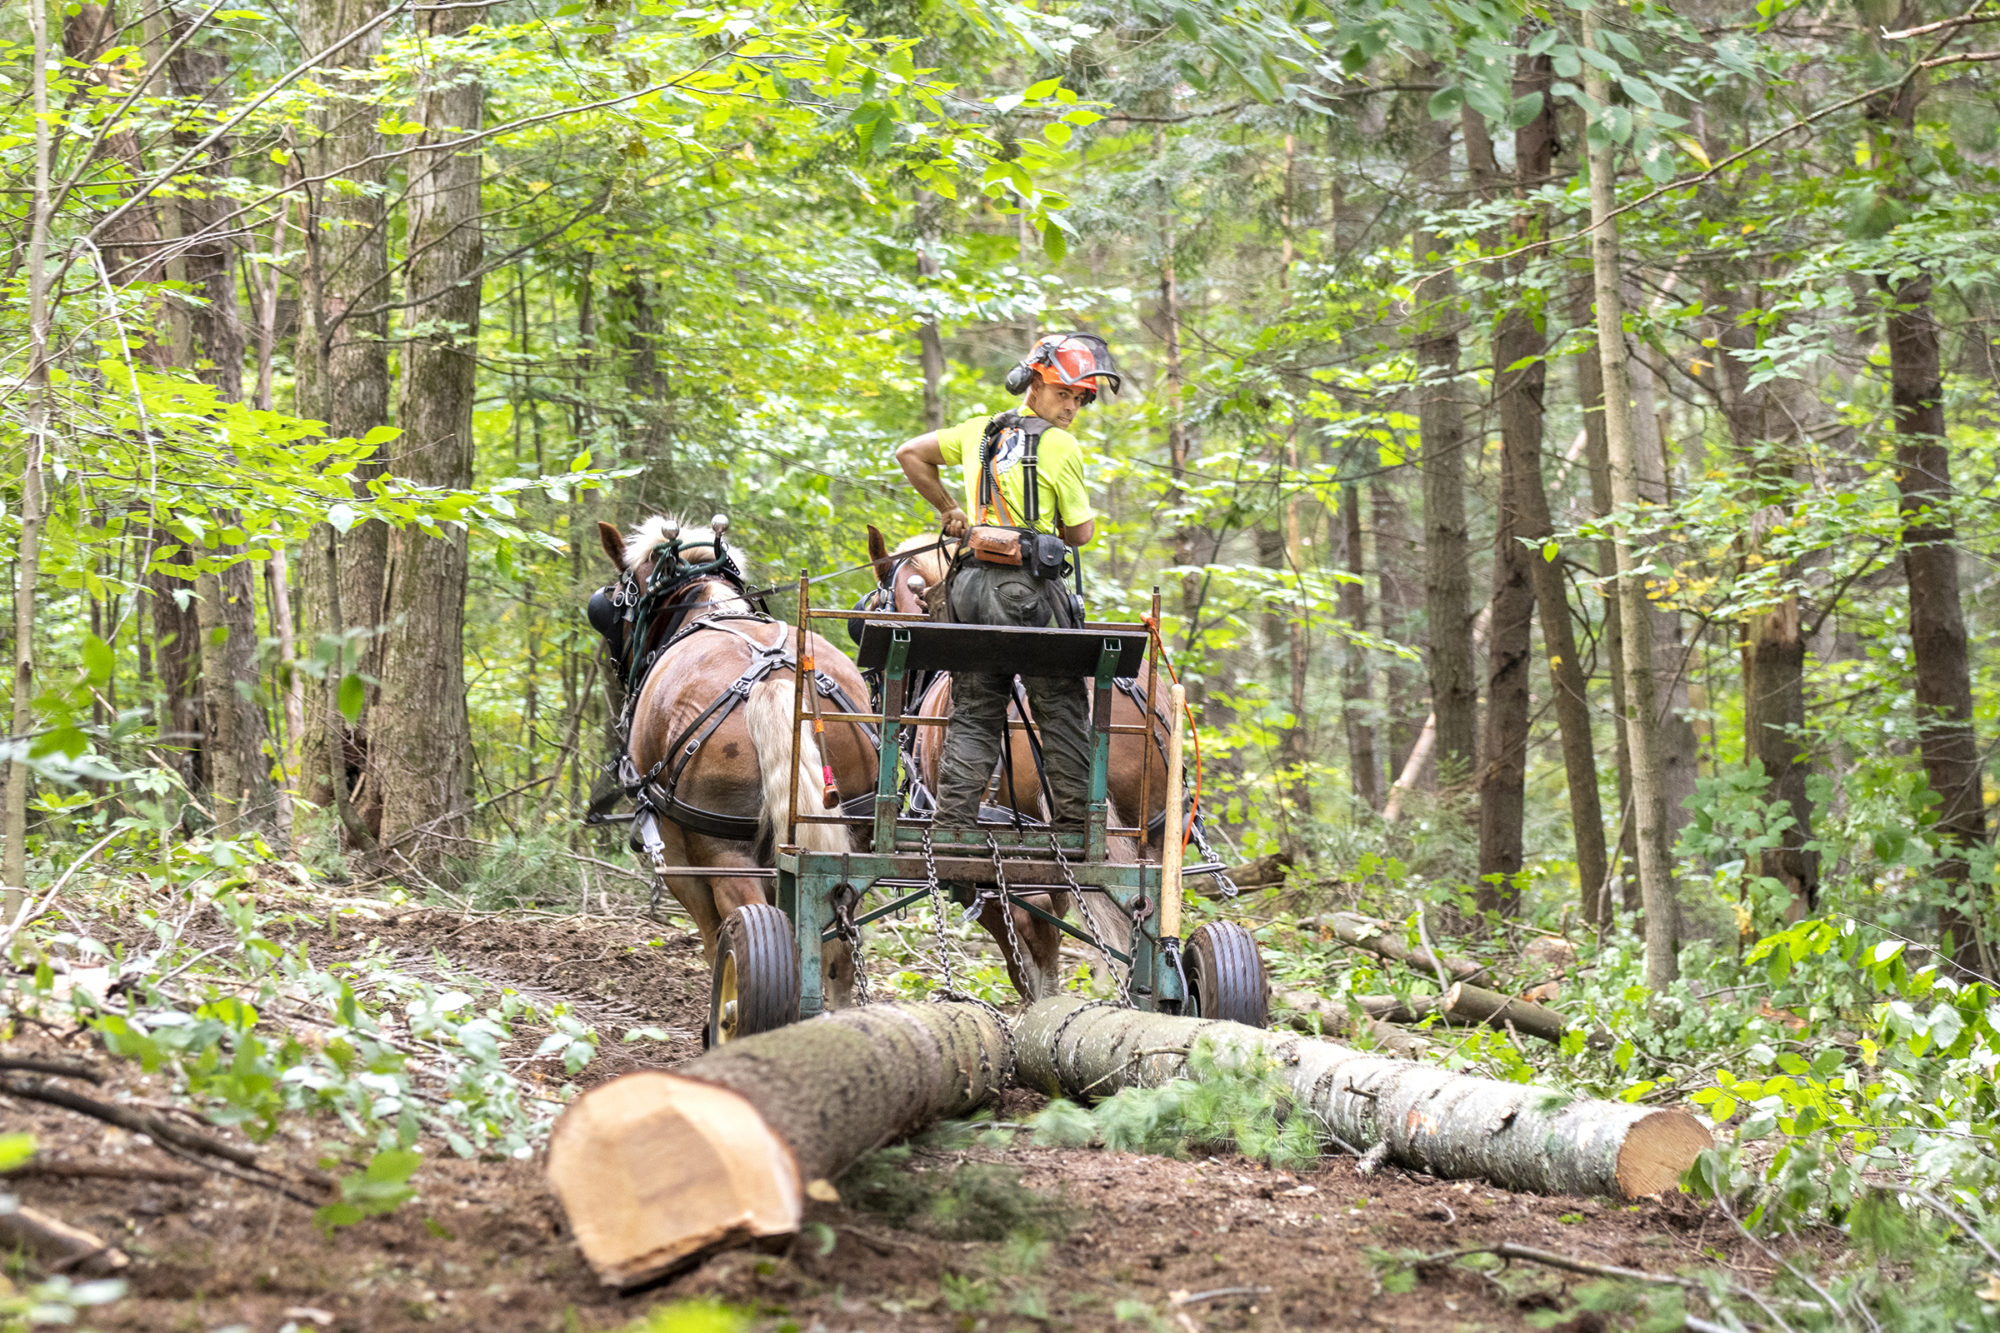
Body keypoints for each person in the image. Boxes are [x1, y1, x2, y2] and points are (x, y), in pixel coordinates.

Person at [894, 332, 1121, 832]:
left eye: (1079, 399)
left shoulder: (980, 431)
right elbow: (1080, 532)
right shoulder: (1060, 446)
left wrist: (952, 509)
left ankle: (955, 823)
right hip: (1024, 588)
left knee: (975, 704)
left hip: (967, 586)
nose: (1071, 408)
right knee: (1059, 701)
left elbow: (911, 452)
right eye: (1062, 394)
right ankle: (1076, 827)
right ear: (1031, 385)